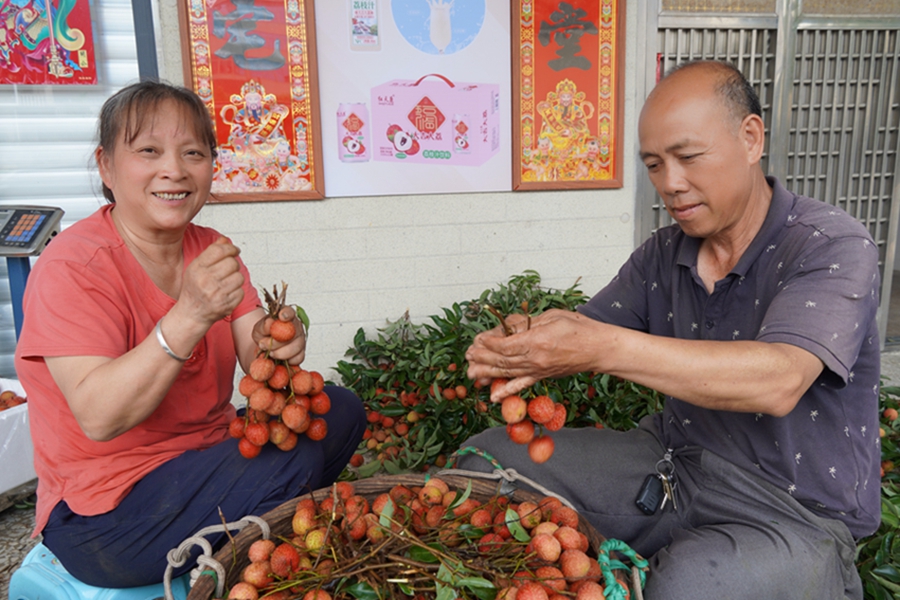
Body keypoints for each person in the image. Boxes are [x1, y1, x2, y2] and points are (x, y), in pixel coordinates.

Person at [459, 60, 881, 600]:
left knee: (683, 588)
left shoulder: (830, 245)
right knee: (485, 462)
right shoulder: (663, 253)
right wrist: (523, 343)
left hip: (793, 510)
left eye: (688, 157)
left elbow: (779, 379)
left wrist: (600, 348)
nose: (670, 184)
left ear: (750, 138)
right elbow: (586, 329)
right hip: (673, 465)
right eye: (654, 165)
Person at [13, 81, 367, 588]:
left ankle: (249, 525)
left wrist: (278, 341)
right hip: (106, 516)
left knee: (340, 408)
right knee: (294, 460)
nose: (174, 170)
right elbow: (99, 416)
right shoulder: (72, 266)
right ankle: (248, 537)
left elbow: (255, 354)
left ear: (211, 166)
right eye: (149, 151)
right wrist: (190, 315)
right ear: (107, 166)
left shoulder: (211, 248)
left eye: (193, 153)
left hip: (203, 460)